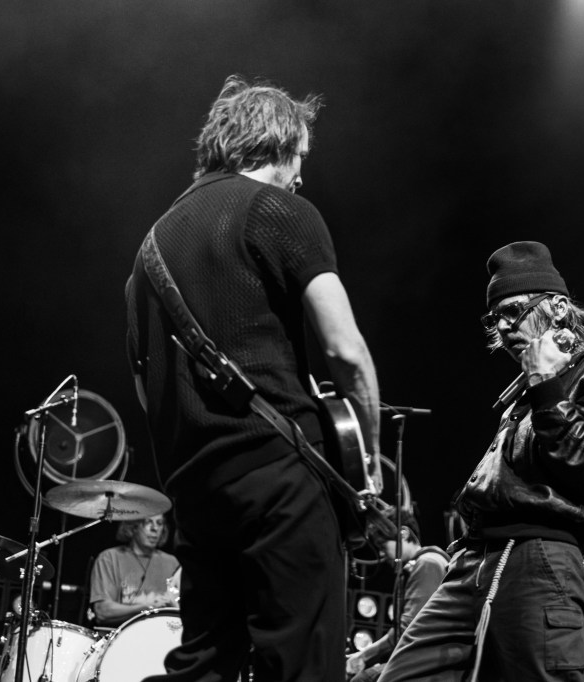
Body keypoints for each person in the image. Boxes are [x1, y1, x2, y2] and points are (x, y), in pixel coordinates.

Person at [125, 74, 382, 682]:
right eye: (301, 158)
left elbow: (143, 386)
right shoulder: (280, 210)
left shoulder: (149, 250)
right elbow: (345, 351)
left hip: (196, 490)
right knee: (302, 663)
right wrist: (367, 458)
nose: (301, 176)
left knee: (206, 663)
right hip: (280, 477)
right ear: (280, 144)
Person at [378, 241, 584, 682]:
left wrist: (544, 381)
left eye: (513, 311)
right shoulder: (529, 392)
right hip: (472, 562)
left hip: (538, 558)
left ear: (558, 308)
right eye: (494, 319)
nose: (504, 327)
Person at [346, 511, 449, 681]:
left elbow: (409, 628)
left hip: (426, 664)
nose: (381, 554)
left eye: (382, 545)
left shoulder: (427, 563)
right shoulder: (420, 564)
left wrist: (364, 656)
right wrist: (363, 656)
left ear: (403, 534)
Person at [89, 514, 181, 627]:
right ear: (133, 526)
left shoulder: (173, 563)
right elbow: (103, 611)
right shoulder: (109, 558)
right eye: (148, 522)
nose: (155, 528)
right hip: (121, 635)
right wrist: (148, 607)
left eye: (159, 523)